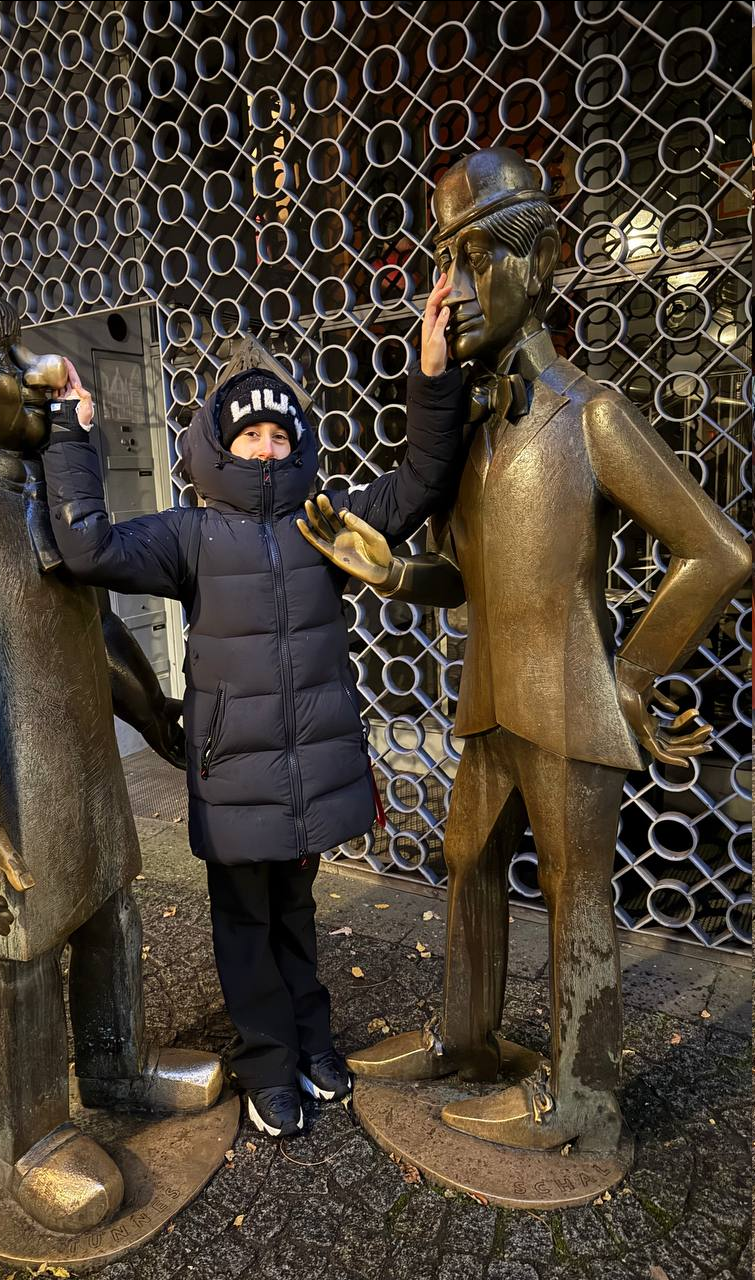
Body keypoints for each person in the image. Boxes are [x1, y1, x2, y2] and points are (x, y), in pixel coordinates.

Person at [298, 147, 751, 1156]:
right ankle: (466, 1035)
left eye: (475, 259)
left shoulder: (592, 416)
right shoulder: (476, 433)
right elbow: (467, 576)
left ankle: (581, 1092)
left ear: (541, 261)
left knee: (573, 889)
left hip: (571, 701)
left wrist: (632, 674)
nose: (451, 292)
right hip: (492, 699)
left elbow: (718, 552)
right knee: (467, 858)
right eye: (442, 262)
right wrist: (390, 571)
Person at [41, 281, 465, 1138]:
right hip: (234, 776)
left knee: (296, 915)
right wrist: (70, 434)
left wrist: (432, 373)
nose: (267, 449)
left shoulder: (326, 523)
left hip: (309, 772)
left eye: (280, 434)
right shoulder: (190, 535)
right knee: (246, 926)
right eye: (250, 435)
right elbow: (87, 548)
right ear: (220, 443)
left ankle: (313, 1043)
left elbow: (422, 480)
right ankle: (268, 1064)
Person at [0, 290, 223, 1234]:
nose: (33, 378)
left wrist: (154, 714)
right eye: (7, 364)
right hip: (2, 789)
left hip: (77, 773)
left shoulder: (36, 491)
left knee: (110, 918)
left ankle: (116, 1065)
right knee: (15, 966)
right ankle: (26, 1139)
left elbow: (95, 628)